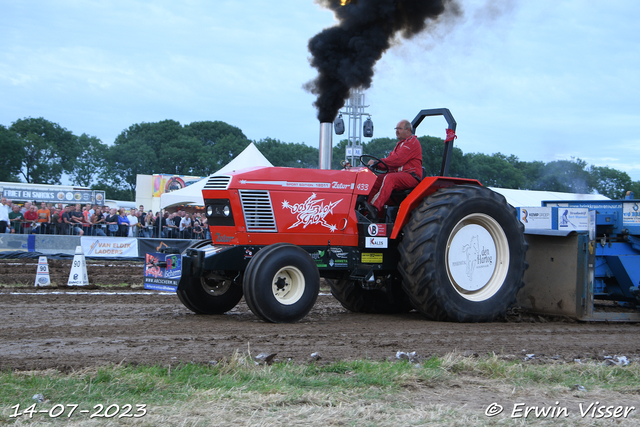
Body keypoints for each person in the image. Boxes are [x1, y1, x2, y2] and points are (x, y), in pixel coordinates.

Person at [365, 119, 423, 220]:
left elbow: (397, 160)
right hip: (400, 175)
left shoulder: (412, 142)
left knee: (389, 178)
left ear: (408, 130)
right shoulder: (400, 144)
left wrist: (376, 162)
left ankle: (374, 208)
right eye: (396, 129)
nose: (396, 131)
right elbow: (389, 161)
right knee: (377, 179)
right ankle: (368, 211)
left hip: (411, 176)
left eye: (399, 129)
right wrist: (377, 165)